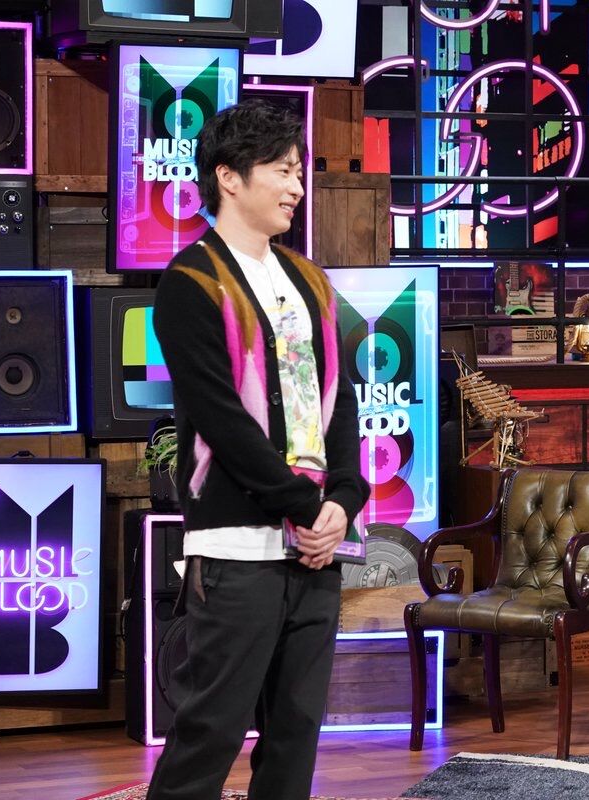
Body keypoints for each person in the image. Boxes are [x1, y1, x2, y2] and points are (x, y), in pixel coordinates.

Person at [147, 100, 369, 800]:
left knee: (296, 734)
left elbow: (340, 400)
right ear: (228, 176)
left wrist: (343, 499)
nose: (297, 187)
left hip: (316, 547)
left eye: (299, 172)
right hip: (237, 548)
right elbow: (223, 422)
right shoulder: (189, 282)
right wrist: (305, 504)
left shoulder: (310, 280)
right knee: (208, 732)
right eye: (282, 170)